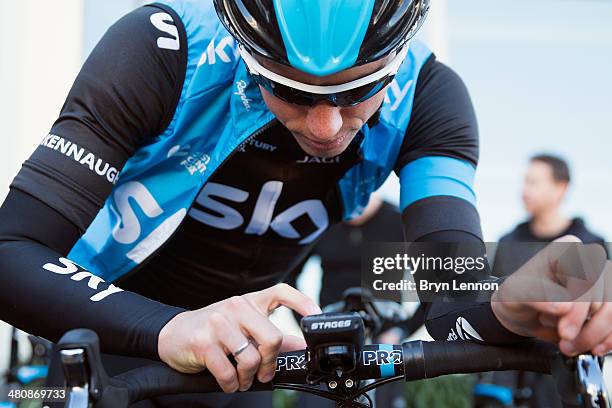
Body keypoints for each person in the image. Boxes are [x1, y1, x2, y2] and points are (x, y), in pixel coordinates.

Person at [0, 1, 610, 406]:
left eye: (359, 91)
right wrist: (171, 326)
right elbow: (11, 252)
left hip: (246, 361)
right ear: (244, 47)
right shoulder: (160, 51)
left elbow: (453, 304)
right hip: (110, 347)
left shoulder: (430, 97)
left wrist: (512, 306)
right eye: (287, 91)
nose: (324, 127)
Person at [485, 154, 608, 408]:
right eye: (524, 181)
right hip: (508, 386)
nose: (524, 190)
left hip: (567, 387)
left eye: (533, 182)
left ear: (560, 188)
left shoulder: (593, 244)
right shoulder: (508, 242)